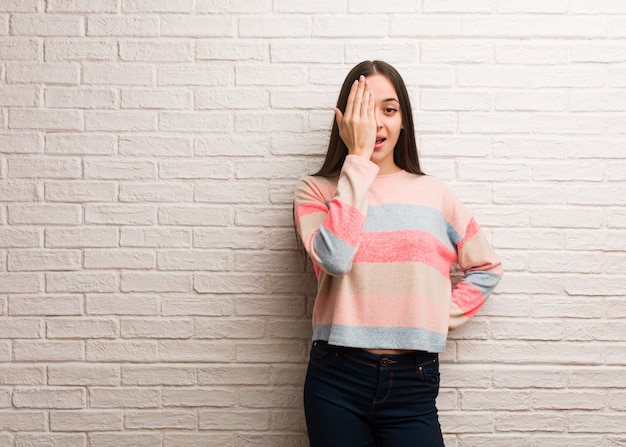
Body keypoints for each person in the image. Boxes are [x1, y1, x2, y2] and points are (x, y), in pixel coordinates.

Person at [293, 60, 503, 447]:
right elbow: (336, 258)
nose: (376, 123)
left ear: (403, 119)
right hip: (336, 377)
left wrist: (437, 315)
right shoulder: (317, 191)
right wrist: (356, 161)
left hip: (413, 378)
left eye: (388, 110)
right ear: (345, 121)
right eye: (364, 110)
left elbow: (486, 267)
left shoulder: (434, 195)